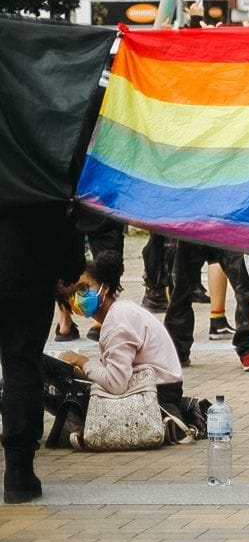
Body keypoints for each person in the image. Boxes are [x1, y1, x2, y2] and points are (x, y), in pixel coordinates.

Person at [44, 246, 199, 448]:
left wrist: (82, 361)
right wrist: (80, 371)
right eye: (71, 294)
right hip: (157, 386)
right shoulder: (119, 313)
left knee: (49, 380)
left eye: (84, 289)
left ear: (105, 287)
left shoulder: (118, 322)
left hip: (154, 393)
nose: (77, 298)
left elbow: (116, 383)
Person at [1, 204, 85, 501]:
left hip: (26, 267)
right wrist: (69, 266)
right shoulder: (36, 156)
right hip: (26, 267)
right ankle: (19, 471)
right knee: (22, 363)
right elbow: (60, 203)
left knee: (21, 363)